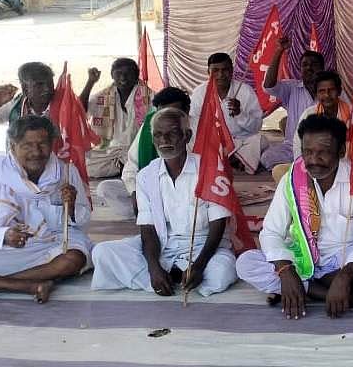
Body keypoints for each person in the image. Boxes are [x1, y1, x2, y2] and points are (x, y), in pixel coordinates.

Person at [236, 115, 353, 319]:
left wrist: (344, 276)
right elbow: (271, 232)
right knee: (245, 263)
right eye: (308, 152)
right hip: (300, 256)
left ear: (341, 151)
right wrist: (286, 272)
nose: (314, 160)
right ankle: (344, 297)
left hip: (345, 259)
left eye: (323, 153)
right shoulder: (292, 180)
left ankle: (305, 290)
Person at [91, 108, 238, 298]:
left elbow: (218, 225)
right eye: (158, 135)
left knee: (222, 272)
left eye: (172, 133)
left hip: (203, 247)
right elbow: (148, 229)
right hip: (164, 245)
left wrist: (199, 266)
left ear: (187, 136)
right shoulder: (146, 176)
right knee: (102, 252)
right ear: (153, 139)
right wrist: (154, 268)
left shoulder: (209, 169)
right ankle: (168, 277)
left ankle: (174, 278)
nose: (165, 141)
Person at [0, 116, 91, 303]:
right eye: (27, 146)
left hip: (52, 246)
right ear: (13, 146)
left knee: (73, 259)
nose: (36, 152)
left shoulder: (66, 172)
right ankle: (27, 285)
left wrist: (71, 208)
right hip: (8, 250)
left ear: (52, 144)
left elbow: (82, 222)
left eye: (42, 144)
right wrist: (5, 235)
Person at [95, 87, 192, 219]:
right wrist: (135, 191)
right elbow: (132, 164)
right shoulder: (151, 123)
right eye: (161, 113)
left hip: (185, 189)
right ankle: (147, 214)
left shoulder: (197, 128)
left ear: (186, 111)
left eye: (171, 113)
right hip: (153, 187)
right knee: (106, 188)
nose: (165, 119)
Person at [270, 70, 353, 184]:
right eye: (322, 91)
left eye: (331, 90)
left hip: (345, 168)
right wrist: (311, 170)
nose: (327, 95)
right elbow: (298, 147)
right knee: (278, 171)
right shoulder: (309, 114)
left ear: (339, 91)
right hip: (314, 167)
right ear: (317, 94)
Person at [79, 58, 154, 178]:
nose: (123, 78)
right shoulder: (103, 96)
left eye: (128, 73)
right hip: (109, 152)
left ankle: (123, 166)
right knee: (86, 164)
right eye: (119, 73)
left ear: (136, 75)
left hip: (137, 149)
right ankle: (121, 166)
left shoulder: (149, 97)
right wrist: (90, 82)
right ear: (112, 75)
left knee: (150, 161)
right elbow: (80, 110)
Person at [259, 36, 325, 170]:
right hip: (294, 145)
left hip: (322, 145)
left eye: (314, 64)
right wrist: (279, 51)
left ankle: (296, 169)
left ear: (322, 68)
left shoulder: (330, 90)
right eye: (305, 65)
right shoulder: (291, 88)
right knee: (267, 157)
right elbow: (268, 86)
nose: (309, 68)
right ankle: (299, 169)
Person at [190, 53, 262, 174]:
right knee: (190, 142)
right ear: (208, 72)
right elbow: (194, 125)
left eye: (225, 70)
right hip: (211, 142)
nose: (220, 75)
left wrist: (240, 114)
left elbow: (256, 127)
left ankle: (226, 160)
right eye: (215, 70)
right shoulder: (199, 93)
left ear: (232, 71)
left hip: (240, 140)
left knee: (259, 140)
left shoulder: (245, 91)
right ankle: (230, 159)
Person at [0, 62, 54, 137]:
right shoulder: (15, 106)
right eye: (39, 84)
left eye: (50, 83)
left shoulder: (64, 104)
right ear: (25, 88)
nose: (47, 89)